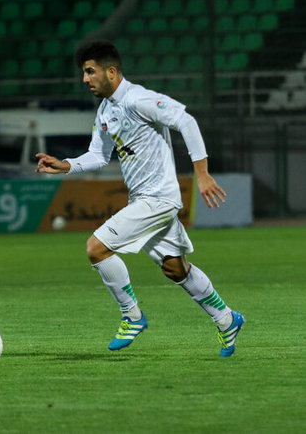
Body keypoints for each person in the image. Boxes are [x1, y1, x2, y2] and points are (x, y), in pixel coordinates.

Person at [35, 40, 245, 357]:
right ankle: (227, 318)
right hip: (144, 200)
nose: (85, 79)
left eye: (90, 72)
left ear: (111, 71)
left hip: (157, 198)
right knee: (176, 268)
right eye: (84, 73)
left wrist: (201, 173)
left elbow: (186, 121)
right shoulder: (106, 110)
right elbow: (98, 155)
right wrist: (66, 165)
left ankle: (132, 316)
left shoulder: (138, 99)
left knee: (96, 247)